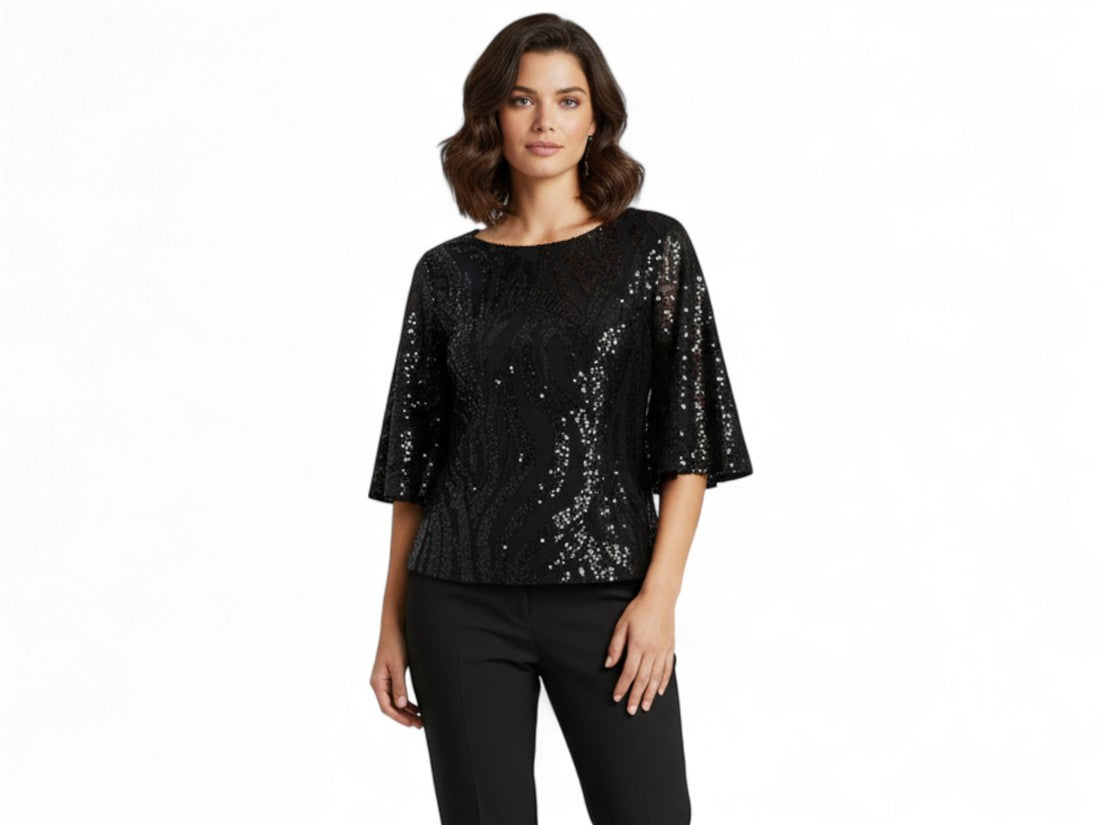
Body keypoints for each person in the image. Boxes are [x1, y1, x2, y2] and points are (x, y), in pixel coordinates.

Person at [368, 13, 753, 825]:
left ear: (596, 118)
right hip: (457, 600)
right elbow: (415, 465)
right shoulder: (446, 274)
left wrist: (659, 599)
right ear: (492, 116)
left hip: (608, 597)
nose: (545, 121)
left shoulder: (652, 250)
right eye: (523, 99)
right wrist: (390, 624)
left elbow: (688, 447)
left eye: (568, 100)